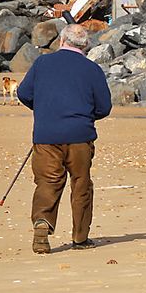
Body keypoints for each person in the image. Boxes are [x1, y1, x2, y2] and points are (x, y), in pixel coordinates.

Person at [15, 22, 112, 254]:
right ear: (86, 44)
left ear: (61, 41)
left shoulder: (42, 63)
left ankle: (42, 222)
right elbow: (104, 107)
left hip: (47, 135)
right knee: (81, 184)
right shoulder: (92, 69)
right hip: (80, 136)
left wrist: (45, 110)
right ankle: (80, 236)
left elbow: (24, 93)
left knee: (48, 181)